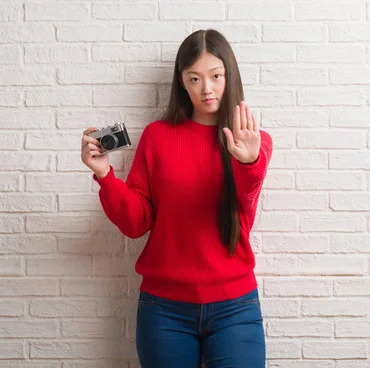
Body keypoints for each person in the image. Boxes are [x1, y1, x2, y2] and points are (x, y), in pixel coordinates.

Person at [80, 29, 273, 368]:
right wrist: (105, 176)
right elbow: (136, 223)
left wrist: (249, 162)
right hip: (164, 310)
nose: (206, 89)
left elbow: (245, 202)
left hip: (235, 307)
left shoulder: (253, 142)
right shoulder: (158, 136)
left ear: (230, 76)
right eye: (194, 78)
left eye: (216, 76)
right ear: (182, 82)